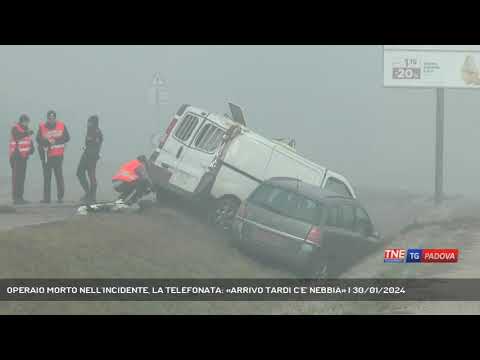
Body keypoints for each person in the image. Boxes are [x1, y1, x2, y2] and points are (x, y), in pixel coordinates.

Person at [36, 110, 70, 203]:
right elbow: (38, 139)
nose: (51, 119)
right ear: (47, 118)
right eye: (49, 118)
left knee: (59, 176)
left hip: (58, 156)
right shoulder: (42, 127)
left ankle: (60, 197)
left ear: (55, 118)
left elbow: (67, 137)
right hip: (47, 157)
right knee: (47, 177)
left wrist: (56, 140)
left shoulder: (61, 125)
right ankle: (47, 198)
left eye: (53, 117)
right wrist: (47, 142)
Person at [77, 115, 103, 203]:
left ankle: (92, 196)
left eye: (90, 122)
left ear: (94, 123)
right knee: (80, 173)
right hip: (87, 154)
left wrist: (94, 156)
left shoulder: (97, 132)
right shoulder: (90, 130)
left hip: (91, 156)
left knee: (91, 175)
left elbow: (97, 145)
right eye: (88, 122)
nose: (88, 124)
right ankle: (88, 193)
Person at [9, 114, 34, 204]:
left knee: (22, 178)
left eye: (27, 121)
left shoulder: (26, 130)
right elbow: (17, 136)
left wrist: (32, 149)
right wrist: (27, 133)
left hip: (24, 157)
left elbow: (29, 142)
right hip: (15, 157)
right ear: (21, 121)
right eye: (24, 121)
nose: (26, 123)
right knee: (16, 178)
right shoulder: (15, 128)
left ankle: (20, 197)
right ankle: (16, 198)